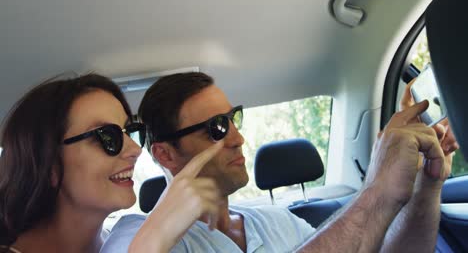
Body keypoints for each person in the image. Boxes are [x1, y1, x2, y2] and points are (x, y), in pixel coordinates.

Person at [101, 72, 457, 252]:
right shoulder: (137, 236)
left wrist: (427, 182)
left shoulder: (277, 221)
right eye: (217, 128)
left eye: (233, 118)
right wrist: (376, 191)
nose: (237, 137)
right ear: (165, 154)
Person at [0, 73, 223, 253]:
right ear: (49, 164)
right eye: (107, 136)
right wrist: (151, 240)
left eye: (131, 132)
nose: (135, 150)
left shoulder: (119, 242)